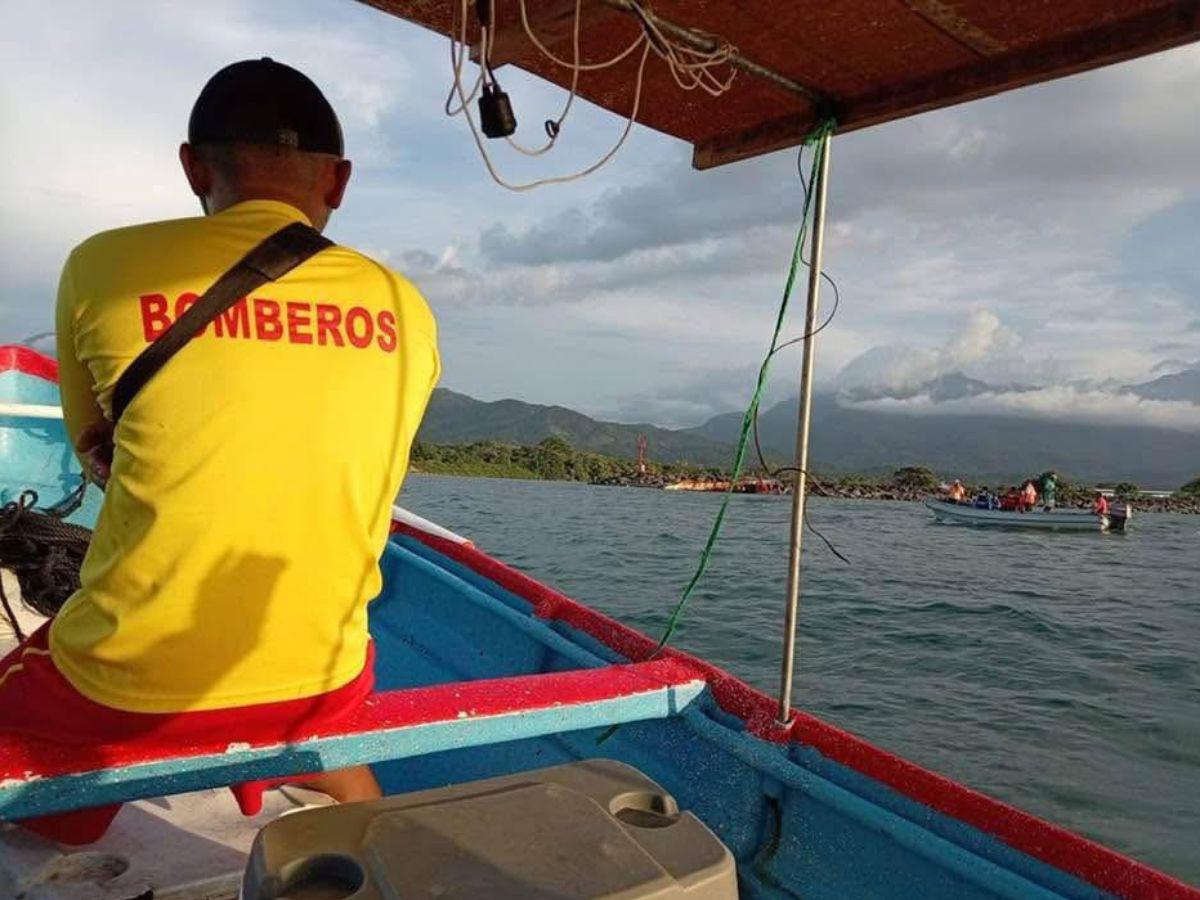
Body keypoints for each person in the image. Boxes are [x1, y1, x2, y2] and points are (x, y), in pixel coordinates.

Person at [0, 59, 440, 840]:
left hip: (128, 686)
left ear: (193, 166)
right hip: (325, 678)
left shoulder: (102, 266)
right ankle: (375, 841)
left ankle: (68, 823)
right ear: (337, 183)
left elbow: (93, 449)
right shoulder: (407, 306)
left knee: (42, 746)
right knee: (330, 734)